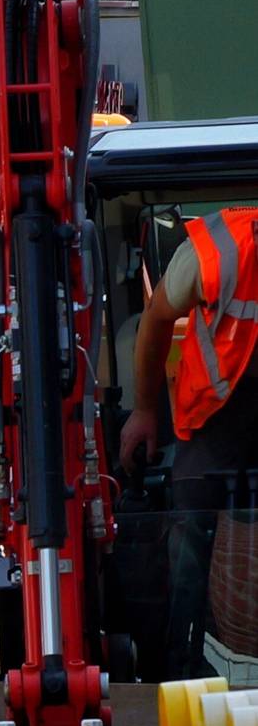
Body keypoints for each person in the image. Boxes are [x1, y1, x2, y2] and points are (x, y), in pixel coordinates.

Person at [120, 207, 258, 676]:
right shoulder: (214, 253)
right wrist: (144, 410)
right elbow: (155, 318)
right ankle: (180, 666)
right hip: (213, 424)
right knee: (188, 549)